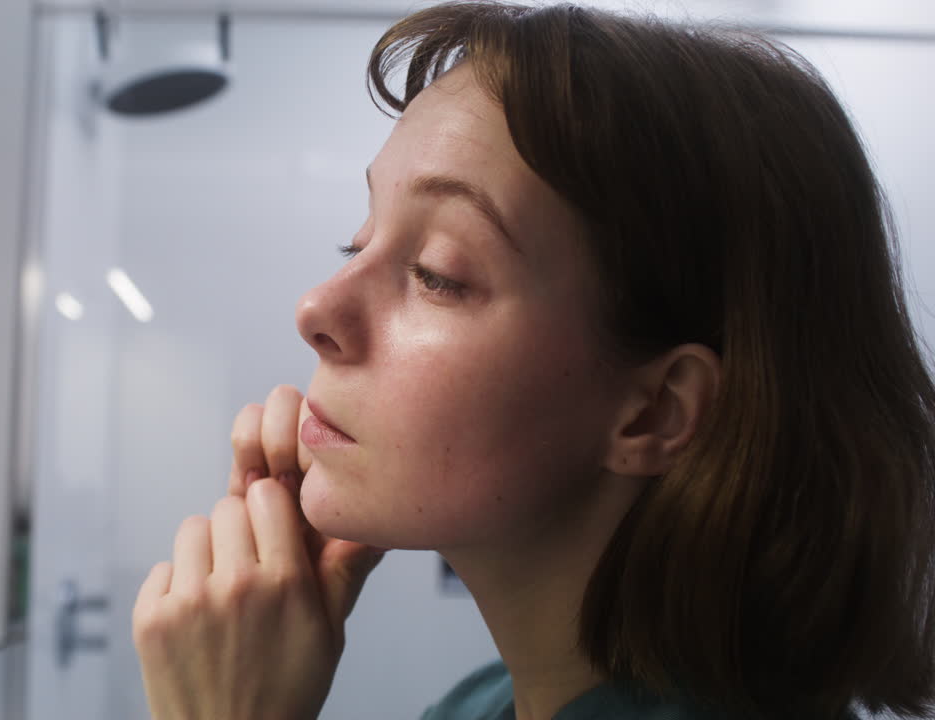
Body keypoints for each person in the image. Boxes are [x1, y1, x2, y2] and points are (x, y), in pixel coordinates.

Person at [131, 2, 935, 719]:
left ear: (656, 410)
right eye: (358, 239)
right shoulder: (482, 704)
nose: (316, 310)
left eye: (437, 274)